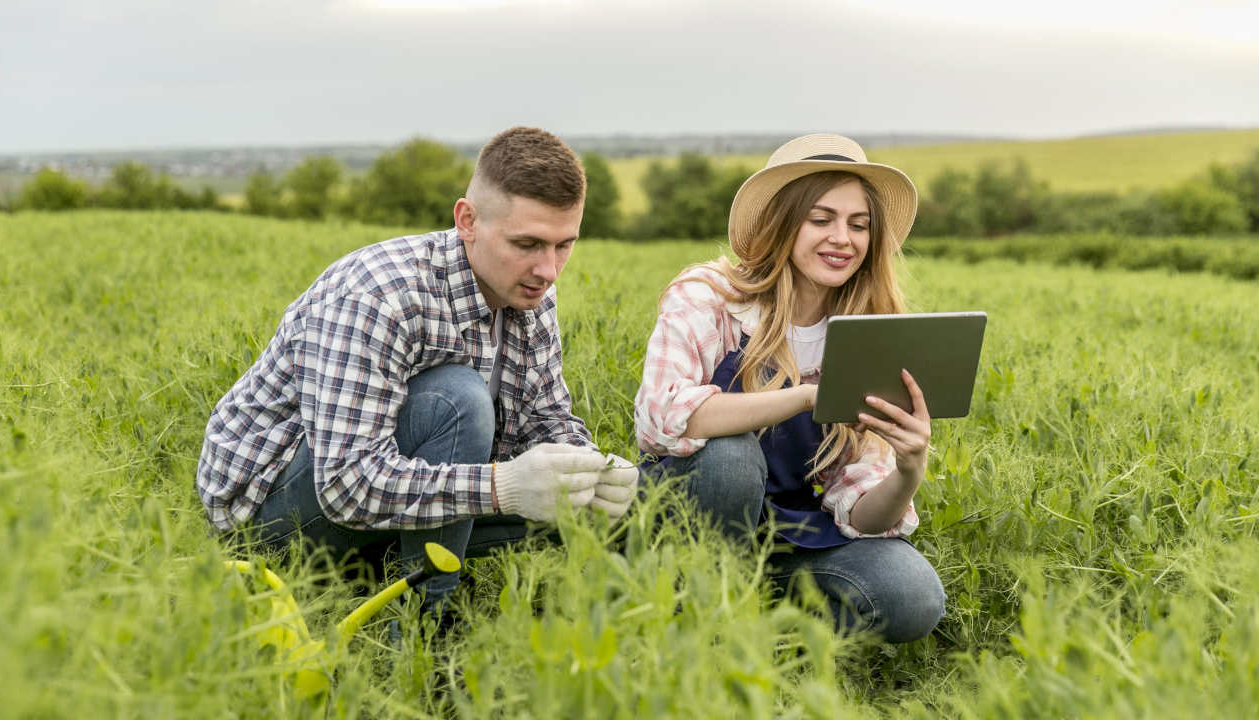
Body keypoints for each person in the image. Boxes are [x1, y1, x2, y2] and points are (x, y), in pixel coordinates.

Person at [197, 126, 639, 609]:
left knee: (562, 491)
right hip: (273, 521)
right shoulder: (378, 296)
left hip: (384, 508)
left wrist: (590, 469)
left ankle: (390, 571)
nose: (549, 270)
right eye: (527, 244)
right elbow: (345, 486)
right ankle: (425, 627)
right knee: (458, 399)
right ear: (467, 220)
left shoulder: (531, 294)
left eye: (564, 245)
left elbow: (544, 418)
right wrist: (501, 488)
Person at [634, 133, 946, 643]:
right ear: (782, 222)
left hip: (789, 533)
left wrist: (908, 471)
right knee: (730, 459)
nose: (842, 238)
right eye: (820, 219)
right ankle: (696, 609)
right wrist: (803, 397)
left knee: (912, 596)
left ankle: (766, 636)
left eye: (858, 225)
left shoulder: (868, 331)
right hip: (687, 514)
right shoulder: (711, 297)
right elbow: (660, 418)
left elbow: (863, 513)